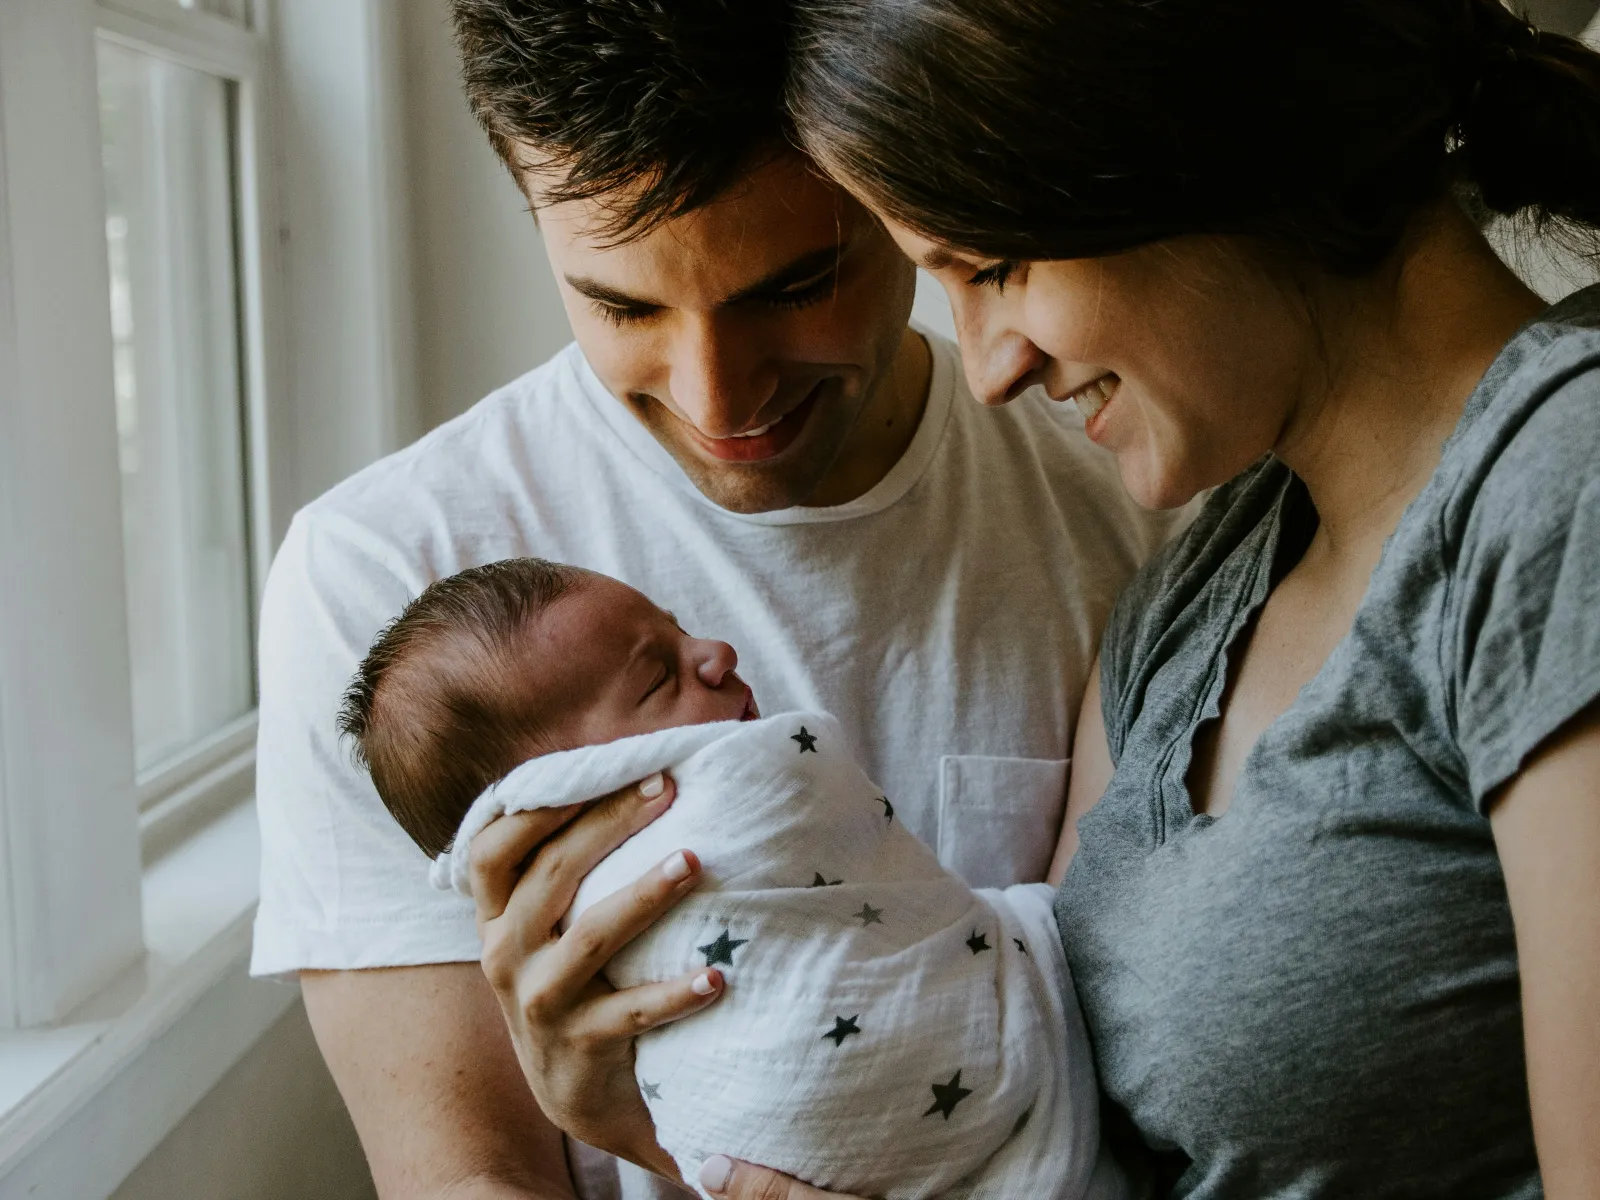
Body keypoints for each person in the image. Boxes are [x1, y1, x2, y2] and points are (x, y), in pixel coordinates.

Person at [247, 3, 1171, 1199]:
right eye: (623, 308)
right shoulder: (382, 579)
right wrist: (645, 1142)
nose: (717, 398)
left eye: (795, 286)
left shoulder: (1130, 503)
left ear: (903, 195)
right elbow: (466, 1180)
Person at [678, 0, 1600, 1197]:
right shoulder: (1195, 591)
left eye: (995, 266)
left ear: (1196, 142)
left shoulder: (1558, 486)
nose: (992, 367)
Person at [340, 558, 1121, 1200]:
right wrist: (605, 1113)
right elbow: (463, 1178)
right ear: (569, 788)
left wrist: (632, 1131)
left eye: (678, 629)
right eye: (656, 679)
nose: (716, 652)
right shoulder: (362, 555)